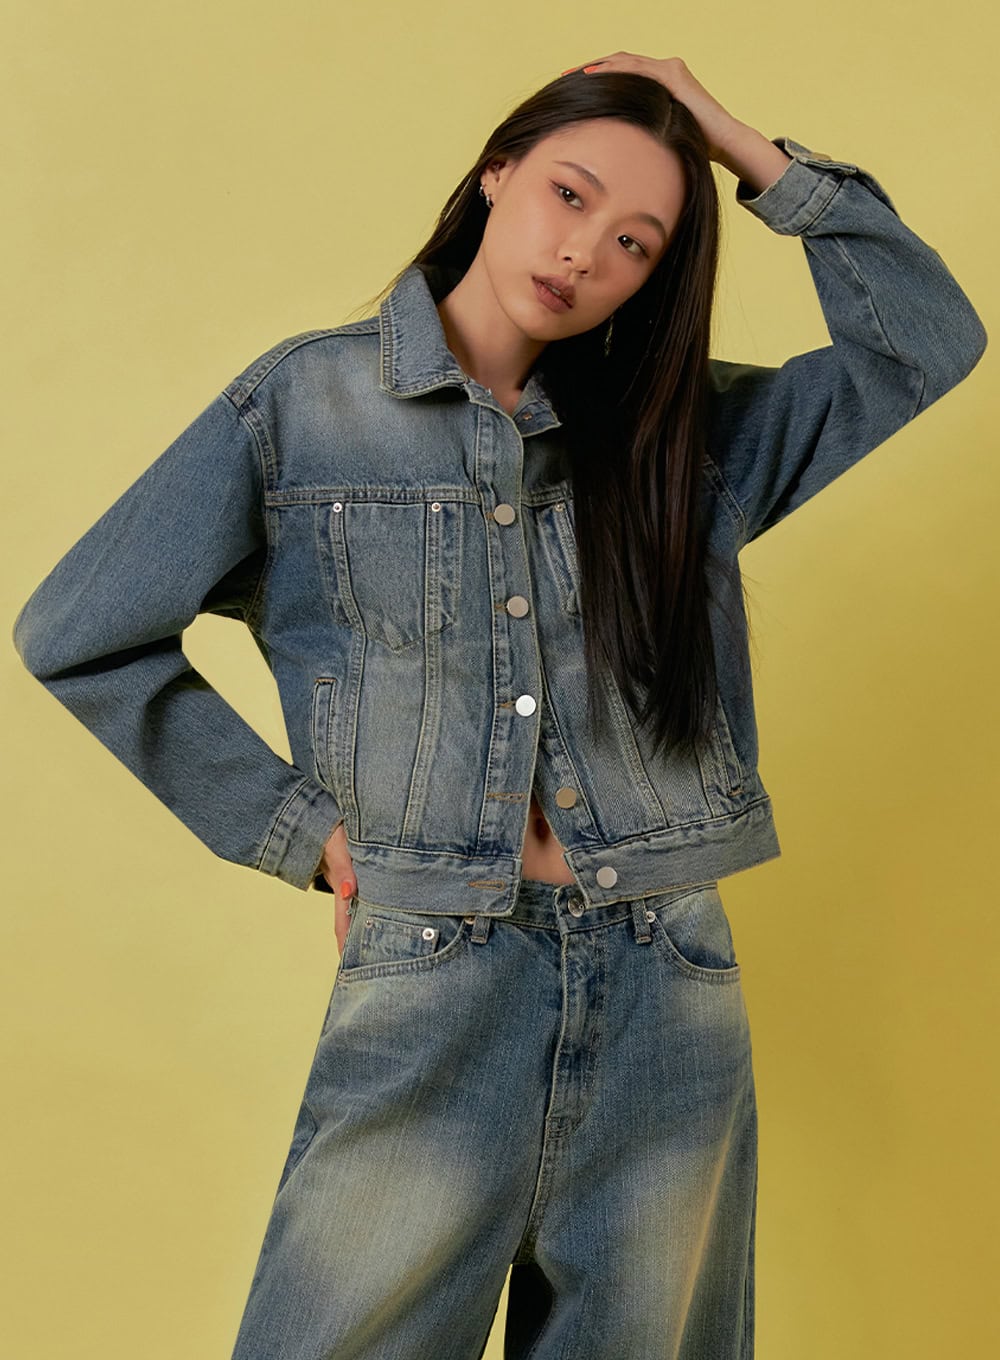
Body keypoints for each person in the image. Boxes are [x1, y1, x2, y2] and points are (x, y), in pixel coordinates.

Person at [11, 51, 987, 1360]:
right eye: (570, 194)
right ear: (497, 172)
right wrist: (306, 835)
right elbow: (79, 633)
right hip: (436, 971)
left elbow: (926, 341)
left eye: (636, 240)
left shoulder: (679, 438)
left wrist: (728, 139)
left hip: (667, 976)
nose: (585, 251)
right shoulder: (305, 407)